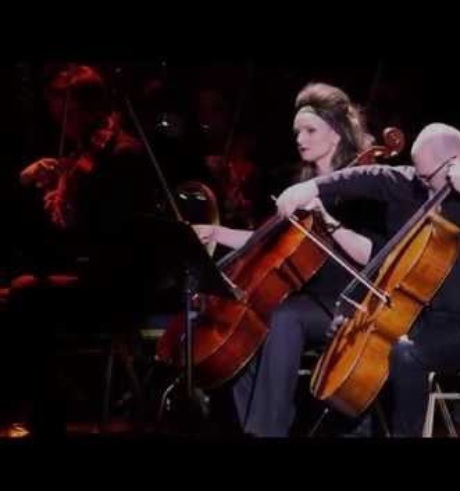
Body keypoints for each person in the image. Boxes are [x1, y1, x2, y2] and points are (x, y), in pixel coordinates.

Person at [276, 122, 460, 436]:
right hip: (434, 322)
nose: (423, 185)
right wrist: (312, 187)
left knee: (407, 353)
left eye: (427, 177)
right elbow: (372, 177)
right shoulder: (424, 181)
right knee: (362, 340)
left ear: (454, 162)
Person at [191, 82, 386, 437]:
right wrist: (216, 233)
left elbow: (372, 252)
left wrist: (326, 216)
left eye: (310, 130)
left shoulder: (363, 185)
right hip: (303, 297)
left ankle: (268, 430)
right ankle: (252, 427)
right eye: (297, 131)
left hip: (348, 302)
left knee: (283, 317)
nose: (300, 139)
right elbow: (268, 241)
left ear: (336, 134)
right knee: (245, 324)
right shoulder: (301, 183)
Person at [4, 64, 158, 436]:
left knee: (25, 298)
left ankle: (45, 416)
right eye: (56, 112)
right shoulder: (83, 156)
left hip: (117, 286)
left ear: (89, 109)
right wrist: (40, 186)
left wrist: (71, 197)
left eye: (67, 112)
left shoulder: (122, 156)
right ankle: (37, 408)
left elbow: (113, 239)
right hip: (90, 274)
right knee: (17, 289)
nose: (61, 122)